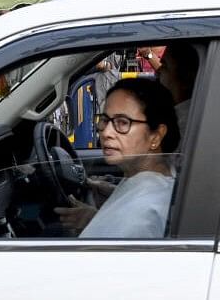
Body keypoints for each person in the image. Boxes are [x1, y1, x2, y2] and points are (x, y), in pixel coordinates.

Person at [58, 78, 180, 238]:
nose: (106, 133)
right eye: (105, 120)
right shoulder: (152, 179)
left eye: (123, 123)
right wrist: (95, 217)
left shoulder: (139, 217)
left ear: (156, 136)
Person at [157, 43, 198, 138]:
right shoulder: (193, 113)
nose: (158, 71)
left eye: (164, 66)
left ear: (186, 79)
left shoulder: (181, 125)